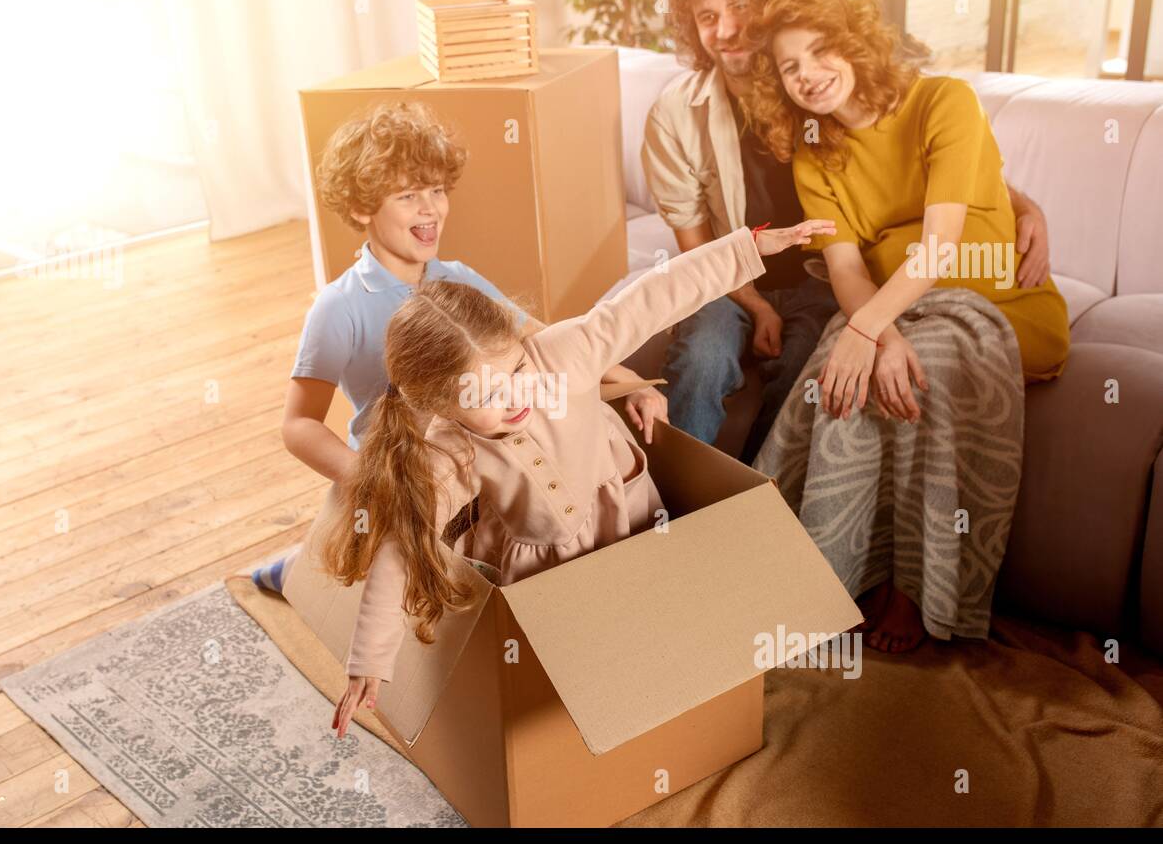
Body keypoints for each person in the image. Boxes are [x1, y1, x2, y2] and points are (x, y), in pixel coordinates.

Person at [315, 220, 835, 736]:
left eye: (516, 372)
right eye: (486, 396)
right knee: (574, 664)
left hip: (629, 516)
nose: (515, 399)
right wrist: (370, 660)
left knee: (654, 605)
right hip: (546, 563)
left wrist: (747, 248)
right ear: (440, 406)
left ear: (518, 343)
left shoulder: (563, 353)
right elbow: (403, 544)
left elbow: (655, 296)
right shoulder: (448, 449)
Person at [743, 0, 1071, 652]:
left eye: (820, 50)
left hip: (996, 300)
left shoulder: (943, 101)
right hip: (899, 303)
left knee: (921, 368)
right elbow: (846, 269)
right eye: (790, 66)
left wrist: (867, 329)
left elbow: (940, 246)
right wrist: (879, 336)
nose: (808, 75)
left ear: (854, 42)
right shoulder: (814, 153)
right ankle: (827, 570)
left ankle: (913, 588)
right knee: (840, 373)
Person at [642, 0, 1053, 463]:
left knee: (807, 374)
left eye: (741, 7)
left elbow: (932, 152)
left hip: (818, 279)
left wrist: (1024, 205)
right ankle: (670, 492)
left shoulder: (826, 92)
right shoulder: (683, 115)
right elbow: (698, 249)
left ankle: (760, 493)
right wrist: (760, 307)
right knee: (702, 356)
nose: (725, 30)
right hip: (735, 280)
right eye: (707, 17)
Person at [254, 100, 664, 593]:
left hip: (476, 458)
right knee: (369, 572)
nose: (430, 207)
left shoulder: (458, 279)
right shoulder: (338, 306)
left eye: (436, 190)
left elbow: (545, 340)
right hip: (404, 472)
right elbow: (298, 424)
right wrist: (370, 481)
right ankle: (295, 570)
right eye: (408, 195)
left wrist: (629, 381)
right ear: (362, 207)